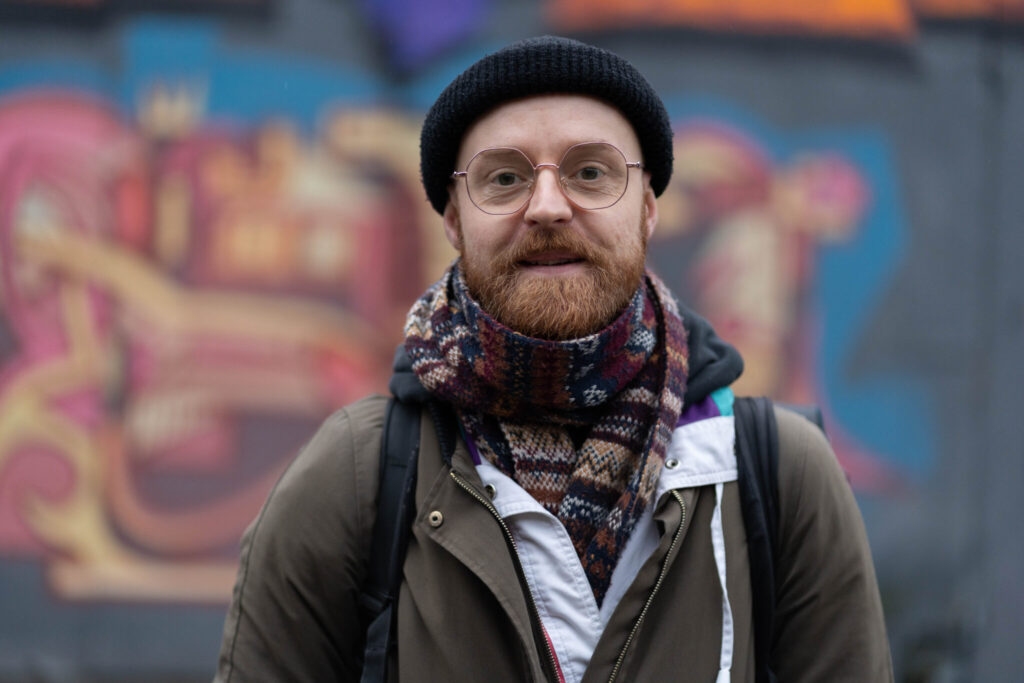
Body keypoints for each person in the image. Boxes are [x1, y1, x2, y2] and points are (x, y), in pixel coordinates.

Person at [214, 36, 892, 682]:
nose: (546, 206)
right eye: (504, 178)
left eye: (590, 173)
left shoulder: (780, 478)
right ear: (453, 220)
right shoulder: (356, 476)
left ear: (648, 209)